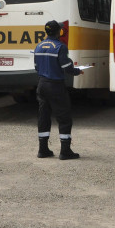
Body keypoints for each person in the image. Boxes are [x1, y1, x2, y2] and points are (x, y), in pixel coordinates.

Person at [33, 20, 81, 160]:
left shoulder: (39, 46)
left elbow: (36, 67)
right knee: (64, 117)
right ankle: (65, 151)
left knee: (43, 116)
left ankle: (43, 150)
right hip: (55, 86)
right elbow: (67, 68)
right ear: (58, 31)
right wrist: (77, 71)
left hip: (42, 85)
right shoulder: (60, 47)